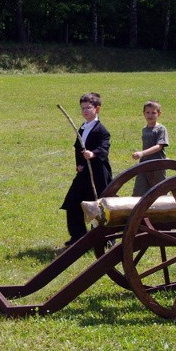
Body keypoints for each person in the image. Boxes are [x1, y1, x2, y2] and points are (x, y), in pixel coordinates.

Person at [60, 92, 112, 246]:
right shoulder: (82, 127)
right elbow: (78, 148)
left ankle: (106, 238)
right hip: (84, 173)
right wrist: (79, 163)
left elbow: (104, 148)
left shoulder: (101, 129)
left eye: (88, 108)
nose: (85, 111)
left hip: (98, 174)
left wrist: (93, 153)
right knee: (72, 202)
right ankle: (78, 236)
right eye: (82, 108)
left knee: (100, 206)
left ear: (97, 109)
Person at [131, 100, 169, 196]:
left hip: (157, 163)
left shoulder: (161, 129)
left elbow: (159, 146)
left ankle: (167, 208)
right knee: (139, 190)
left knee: (160, 189)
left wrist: (142, 153)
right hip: (144, 163)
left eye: (153, 113)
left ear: (159, 114)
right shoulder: (145, 129)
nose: (150, 115)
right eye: (147, 112)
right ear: (144, 113)